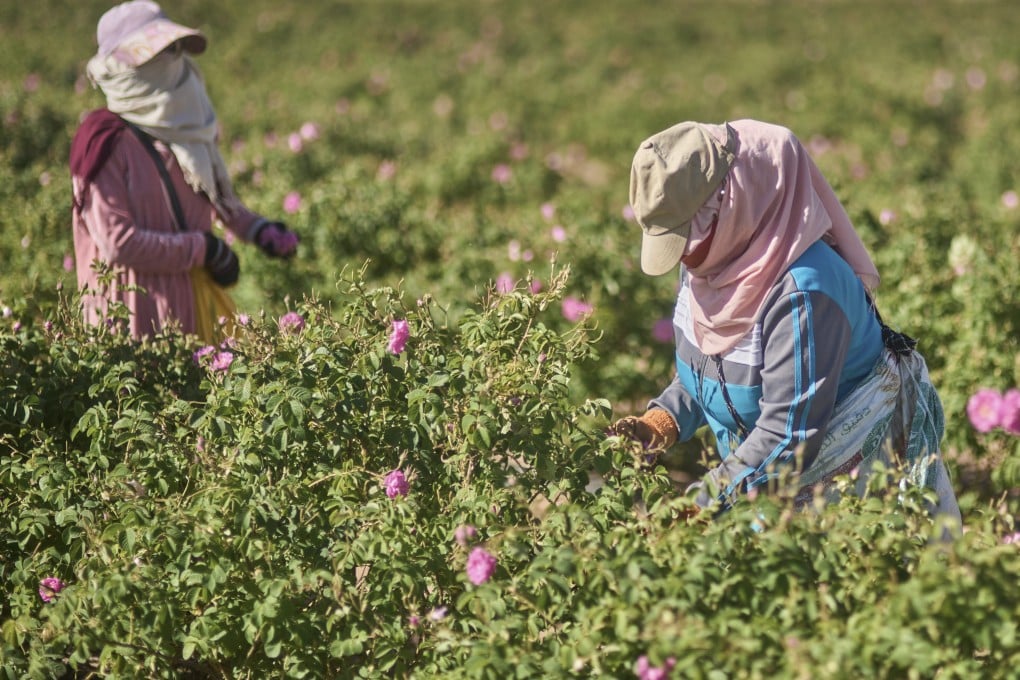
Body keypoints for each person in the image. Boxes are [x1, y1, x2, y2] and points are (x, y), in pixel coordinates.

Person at [614, 119, 961, 525]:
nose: (681, 258)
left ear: (731, 209)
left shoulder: (803, 295)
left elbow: (786, 436)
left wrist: (698, 505)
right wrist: (661, 422)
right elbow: (714, 367)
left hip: (851, 490)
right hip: (754, 477)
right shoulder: (711, 262)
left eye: (683, 238)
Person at [70, 0, 299, 341]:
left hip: (189, 311)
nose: (173, 60)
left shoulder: (188, 131)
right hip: (129, 320)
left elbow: (217, 202)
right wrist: (204, 250)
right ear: (122, 66)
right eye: (158, 52)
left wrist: (259, 230)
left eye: (175, 48)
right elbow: (119, 244)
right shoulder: (105, 143)